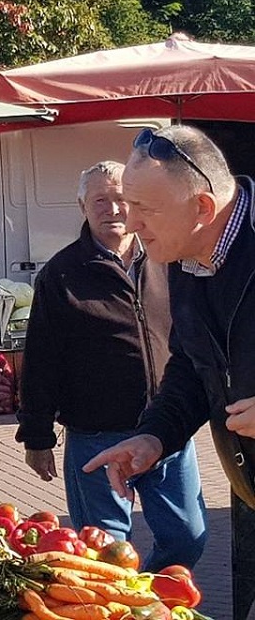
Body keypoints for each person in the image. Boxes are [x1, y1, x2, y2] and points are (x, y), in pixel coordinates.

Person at [82, 125, 255, 619]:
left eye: (144, 209)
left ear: (202, 208)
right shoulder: (182, 257)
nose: (130, 223)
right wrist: (154, 437)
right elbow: (190, 364)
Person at [16, 160, 207, 571]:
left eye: (121, 199)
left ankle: (146, 604)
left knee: (188, 538)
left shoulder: (167, 259)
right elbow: (41, 362)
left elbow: (195, 335)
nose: (113, 210)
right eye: (100, 200)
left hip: (167, 430)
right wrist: (38, 435)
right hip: (97, 436)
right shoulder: (62, 275)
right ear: (82, 206)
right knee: (104, 558)